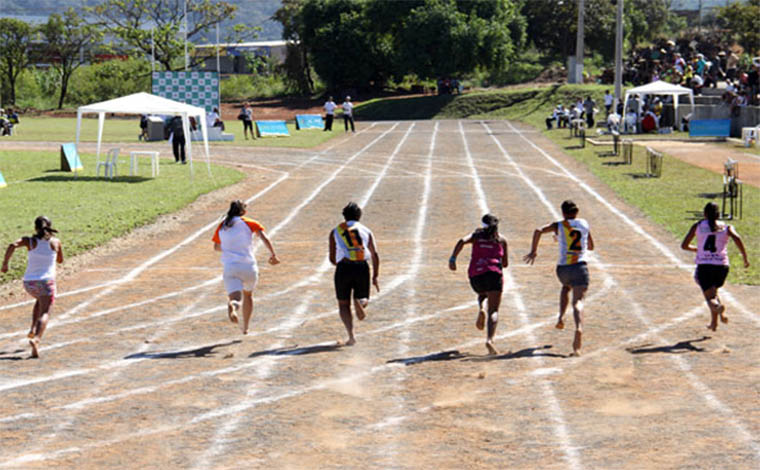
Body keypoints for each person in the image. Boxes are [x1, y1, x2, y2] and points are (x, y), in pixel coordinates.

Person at [524, 200, 594, 357]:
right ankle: (578, 329)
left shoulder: (560, 225)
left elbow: (538, 230)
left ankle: (561, 316)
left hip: (562, 269)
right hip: (580, 267)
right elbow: (590, 246)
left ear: (563, 213)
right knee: (578, 302)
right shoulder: (584, 223)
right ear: (577, 212)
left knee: (565, 287)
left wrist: (534, 251)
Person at [212, 200, 279, 335]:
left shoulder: (222, 225)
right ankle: (246, 327)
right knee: (248, 295)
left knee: (235, 297)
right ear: (243, 212)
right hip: (248, 266)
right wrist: (273, 254)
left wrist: (230, 248)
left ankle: (234, 306)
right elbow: (264, 238)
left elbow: (216, 247)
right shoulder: (250, 223)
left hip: (230, 267)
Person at [1, 216, 64, 358]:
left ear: (35, 228)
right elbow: (60, 260)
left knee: (39, 300)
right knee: (45, 312)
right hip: (46, 282)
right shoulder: (55, 242)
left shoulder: (29, 241)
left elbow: (12, 245)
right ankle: (36, 339)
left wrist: (5, 264)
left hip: (29, 283)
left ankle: (33, 328)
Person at [680, 202, 749, 331]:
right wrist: (744, 256)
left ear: (705, 214)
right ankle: (714, 323)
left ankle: (718, 308)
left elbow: (684, 245)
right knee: (713, 291)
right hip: (722, 266)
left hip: (705, 266)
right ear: (719, 214)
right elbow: (737, 238)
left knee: (710, 298)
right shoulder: (726, 227)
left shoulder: (698, 226)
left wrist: (697, 249)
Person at [449, 214, 508, 355]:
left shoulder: (476, 236)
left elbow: (461, 241)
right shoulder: (502, 240)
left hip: (476, 275)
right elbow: (505, 264)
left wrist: (453, 259)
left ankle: (481, 307)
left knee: (482, 293)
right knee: (493, 310)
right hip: (494, 274)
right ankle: (490, 340)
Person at [328, 202, 380, 346]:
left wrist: (338, 263)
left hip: (343, 267)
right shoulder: (366, 231)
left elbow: (332, 258)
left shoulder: (335, 231)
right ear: (359, 216)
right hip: (362, 266)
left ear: (344, 216)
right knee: (363, 296)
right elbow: (374, 254)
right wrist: (375, 276)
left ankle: (351, 336)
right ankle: (361, 303)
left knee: (343, 304)